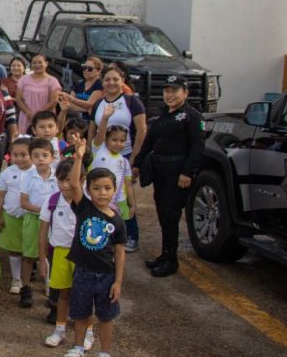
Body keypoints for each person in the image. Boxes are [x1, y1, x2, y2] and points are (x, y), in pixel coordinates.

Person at [58, 139, 126, 357]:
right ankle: (78, 349)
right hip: (84, 272)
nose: (102, 193)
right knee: (80, 314)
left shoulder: (117, 220)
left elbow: (119, 252)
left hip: (106, 276)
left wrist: (118, 282)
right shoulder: (84, 208)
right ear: (89, 189)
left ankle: (105, 355)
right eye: (96, 188)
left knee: (106, 317)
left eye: (107, 188)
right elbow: (74, 183)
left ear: (114, 189)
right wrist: (78, 156)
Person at [135, 75, 204, 277]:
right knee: (163, 215)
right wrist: (137, 163)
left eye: (175, 90)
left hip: (177, 172)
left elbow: (198, 146)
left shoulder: (192, 116)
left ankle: (171, 261)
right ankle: (165, 255)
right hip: (160, 171)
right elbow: (149, 141)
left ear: (185, 93)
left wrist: (187, 172)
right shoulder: (163, 115)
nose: (170, 95)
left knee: (171, 215)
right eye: (167, 90)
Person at [39, 157, 94, 351]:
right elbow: (43, 231)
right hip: (60, 253)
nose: (65, 185)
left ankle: (88, 331)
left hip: (84, 254)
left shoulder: (88, 200)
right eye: (61, 180)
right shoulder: (52, 200)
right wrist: (42, 259)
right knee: (63, 294)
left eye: (69, 180)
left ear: (81, 179)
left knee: (85, 295)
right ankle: (59, 330)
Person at [91, 105, 138, 253]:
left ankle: (115, 253)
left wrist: (132, 204)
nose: (118, 143)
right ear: (105, 140)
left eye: (122, 140)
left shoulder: (124, 162)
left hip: (119, 200)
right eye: (114, 140)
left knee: (117, 229)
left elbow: (128, 184)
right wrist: (105, 117)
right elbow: (100, 133)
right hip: (98, 199)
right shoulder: (98, 150)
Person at [18, 137, 58, 309]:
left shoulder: (57, 177)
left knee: (52, 255)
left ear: (52, 157)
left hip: (54, 222)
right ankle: (25, 288)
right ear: (31, 158)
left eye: (44, 155)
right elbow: (24, 202)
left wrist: (50, 213)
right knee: (28, 256)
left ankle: (53, 288)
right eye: (36, 155)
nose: (40, 159)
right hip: (33, 220)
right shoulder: (27, 177)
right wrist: (43, 211)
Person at [87, 65, 148, 167]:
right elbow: (92, 130)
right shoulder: (98, 104)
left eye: (115, 79)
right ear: (102, 82)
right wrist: (89, 153)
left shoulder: (132, 101)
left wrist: (134, 157)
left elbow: (142, 130)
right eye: (107, 80)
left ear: (122, 81)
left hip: (124, 155)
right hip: (99, 155)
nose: (111, 83)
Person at [0, 137, 32, 295]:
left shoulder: (37, 172)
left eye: (23, 154)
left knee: (32, 251)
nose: (19, 158)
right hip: (11, 216)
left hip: (32, 218)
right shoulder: (7, 173)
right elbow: (0, 196)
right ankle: (16, 279)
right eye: (15, 154)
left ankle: (40, 280)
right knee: (15, 250)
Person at [16, 54, 61, 134]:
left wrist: (38, 115)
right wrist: (28, 112)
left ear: (46, 63)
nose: (37, 65)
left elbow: (53, 101)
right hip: (26, 117)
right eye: (34, 63)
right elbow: (18, 99)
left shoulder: (52, 81)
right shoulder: (23, 79)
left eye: (40, 62)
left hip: (45, 118)